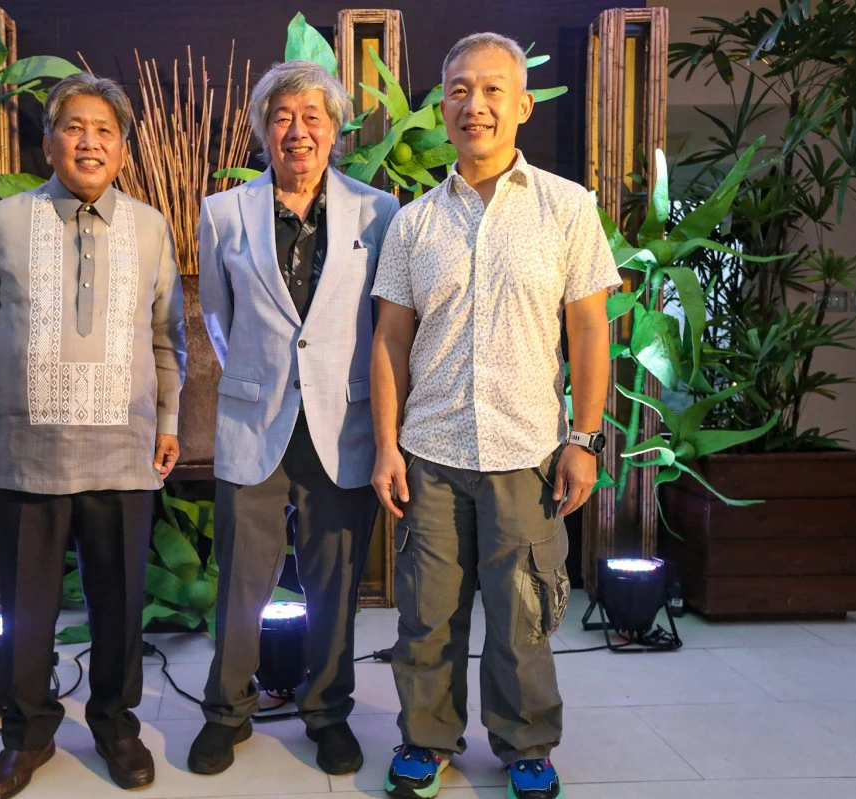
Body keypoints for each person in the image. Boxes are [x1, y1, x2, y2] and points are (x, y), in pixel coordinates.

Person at [370, 33, 621, 799]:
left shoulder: (566, 208)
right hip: (432, 452)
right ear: (442, 106)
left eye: (490, 90)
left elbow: (589, 329)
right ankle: (427, 739)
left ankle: (526, 744)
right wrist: (386, 446)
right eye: (458, 90)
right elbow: (390, 339)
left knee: (523, 617)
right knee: (427, 615)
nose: (473, 105)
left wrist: (585, 438)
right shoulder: (413, 223)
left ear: (522, 105)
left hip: (527, 452)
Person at [0, 72, 187, 797]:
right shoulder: (6, 220)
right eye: (74, 127)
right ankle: (28, 733)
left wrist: (169, 421)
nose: (90, 142)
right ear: (50, 142)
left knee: (119, 603)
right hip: (29, 449)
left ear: (122, 149)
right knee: (29, 606)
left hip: (124, 448)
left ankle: (115, 725)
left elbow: (167, 337)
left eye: (104, 131)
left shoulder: (149, 226)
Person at [189, 59, 400, 777]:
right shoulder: (223, 213)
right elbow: (218, 318)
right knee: (240, 583)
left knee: (335, 582)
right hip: (256, 422)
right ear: (262, 130)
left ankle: (327, 712)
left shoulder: (379, 212)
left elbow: (385, 324)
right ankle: (226, 711)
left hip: (344, 423)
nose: (298, 131)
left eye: (313, 117)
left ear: (335, 130)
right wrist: (261, 378)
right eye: (282, 117)